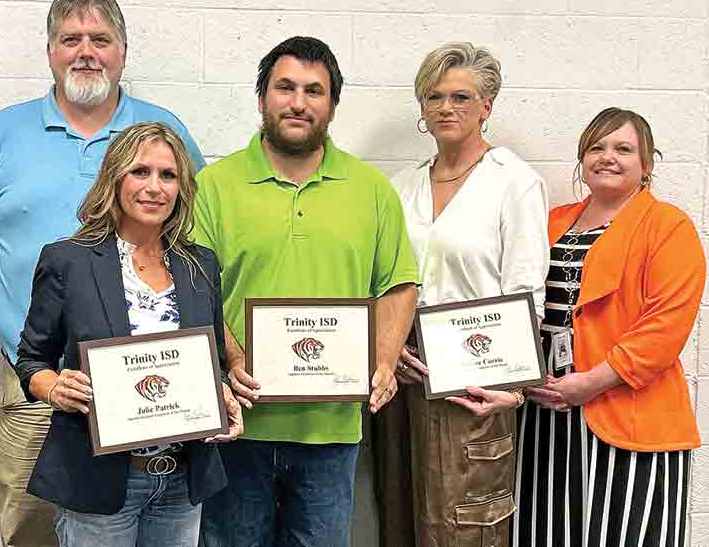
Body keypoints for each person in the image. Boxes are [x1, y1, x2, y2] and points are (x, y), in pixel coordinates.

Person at [0, 0, 205, 546]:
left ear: (123, 52)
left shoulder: (163, 132)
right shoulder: (4, 133)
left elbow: (193, 242)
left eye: (101, 39)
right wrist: (16, 323)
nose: (86, 51)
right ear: (51, 52)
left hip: (154, 387)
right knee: (32, 528)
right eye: (71, 39)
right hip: (39, 380)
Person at [193, 36, 420, 547]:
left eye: (314, 91)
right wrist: (233, 360)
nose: (299, 102)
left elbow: (399, 283)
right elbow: (192, 286)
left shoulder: (371, 190)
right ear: (261, 99)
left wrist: (384, 360)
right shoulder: (214, 185)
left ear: (333, 106)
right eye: (285, 87)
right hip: (238, 426)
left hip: (331, 431)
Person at [13, 121, 241, 547]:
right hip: (100, 481)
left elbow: (212, 363)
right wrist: (54, 388)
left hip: (181, 481)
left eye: (168, 175)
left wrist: (223, 396)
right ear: (115, 178)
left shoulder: (201, 265)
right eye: (140, 172)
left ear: (182, 187)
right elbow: (31, 360)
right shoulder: (69, 261)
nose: (155, 187)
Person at [377, 42, 549, 547]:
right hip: (406, 372)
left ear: (486, 106)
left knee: (464, 525)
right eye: (434, 97)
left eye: (460, 96)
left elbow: (526, 290)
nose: (446, 108)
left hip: (478, 376)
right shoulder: (401, 187)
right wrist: (391, 348)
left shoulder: (513, 182)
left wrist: (514, 388)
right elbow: (382, 279)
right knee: (401, 517)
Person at [514, 107, 704, 546]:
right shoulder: (552, 221)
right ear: (582, 159)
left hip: (629, 415)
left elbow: (665, 327)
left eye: (623, 148)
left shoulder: (668, 226)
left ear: (647, 164)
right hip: (546, 417)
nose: (607, 157)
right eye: (596, 147)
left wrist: (593, 382)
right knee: (545, 533)